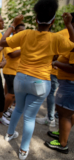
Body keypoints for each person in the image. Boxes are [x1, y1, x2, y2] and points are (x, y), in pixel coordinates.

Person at [0, 0, 74, 159]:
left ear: (35, 20)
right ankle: (23, 150)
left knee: (18, 108)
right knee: (29, 117)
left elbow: (2, 42)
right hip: (40, 82)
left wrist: (13, 24)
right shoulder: (56, 38)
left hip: (20, 79)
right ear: (53, 21)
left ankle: (9, 134)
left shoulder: (25, 33)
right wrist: (68, 25)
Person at [44, 12, 74, 154]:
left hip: (70, 84)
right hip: (68, 83)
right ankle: (62, 134)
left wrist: (56, 62)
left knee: (64, 113)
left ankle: (62, 144)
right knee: (69, 112)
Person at [2, 23, 25, 119]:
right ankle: (1, 112)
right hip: (10, 71)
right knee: (11, 94)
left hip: (18, 71)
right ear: (15, 31)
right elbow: (12, 54)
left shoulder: (21, 43)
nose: (23, 33)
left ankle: (6, 109)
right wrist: (26, 47)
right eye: (21, 31)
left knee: (9, 93)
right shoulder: (9, 41)